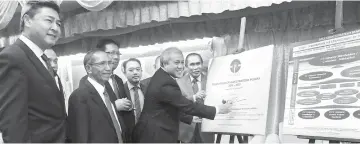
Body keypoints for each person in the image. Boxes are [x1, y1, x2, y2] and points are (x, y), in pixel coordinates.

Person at [132, 47, 232, 143]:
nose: (180, 66)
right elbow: (187, 106)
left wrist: (189, 118)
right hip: (156, 135)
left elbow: (168, 108)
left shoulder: (161, 76)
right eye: (176, 63)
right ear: (165, 64)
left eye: (182, 62)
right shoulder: (165, 82)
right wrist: (218, 109)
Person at [0, 1, 66, 142]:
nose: (55, 28)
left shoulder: (42, 59)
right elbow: (14, 125)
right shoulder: (12, 57)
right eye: (49, 21)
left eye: (59, 24)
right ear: (27, 20)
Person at [67, 50, 127, 143]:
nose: (108, 68)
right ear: (89, 68)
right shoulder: (79, 96)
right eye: (102, 64)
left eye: (109, 63)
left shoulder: (108, 92)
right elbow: (80, 137)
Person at [177, 53, 214, 143]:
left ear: (202, 64)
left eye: (198, 63)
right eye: (192, 64)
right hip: (187, 129)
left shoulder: (211, 80)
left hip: (207, 128)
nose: (196, 67)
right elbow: (177, 104)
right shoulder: (178, 82)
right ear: (186, 66)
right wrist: (194, 97)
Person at [121, 58, 146, 138]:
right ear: (124, 73)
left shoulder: (147, 89)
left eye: (138, 69)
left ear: (141, 71)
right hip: (129, 136)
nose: (135, 72)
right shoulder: (120, 91)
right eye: (131, 70)